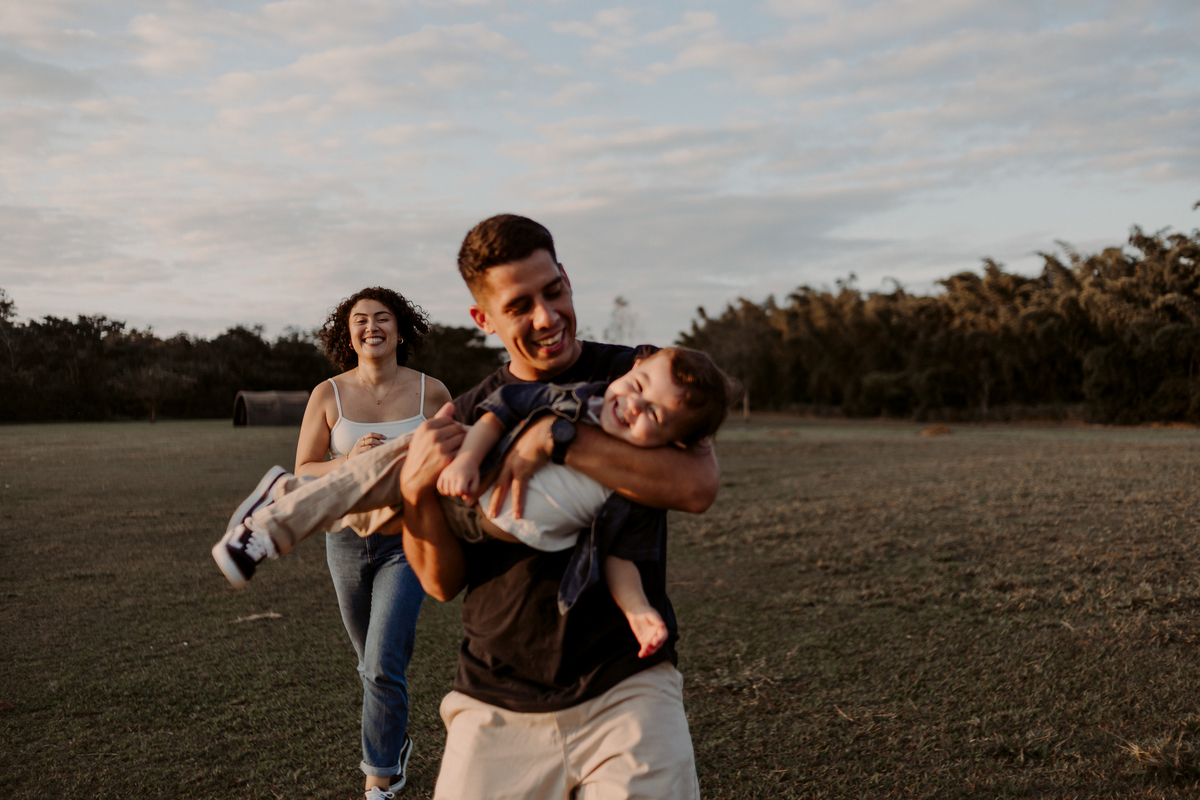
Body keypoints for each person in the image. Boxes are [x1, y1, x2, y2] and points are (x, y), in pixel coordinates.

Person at [400, 214, 721, 799]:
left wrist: (558, 436)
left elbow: (697, 485)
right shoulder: (468, 417)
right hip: (496, 697)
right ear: (484, 319)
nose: (547, 317)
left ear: (568, 279)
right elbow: (441, 584)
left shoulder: (636, 375)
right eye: (520, 306)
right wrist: (414, 493)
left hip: (628, 687)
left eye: (554, 291)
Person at [214, 286, 451, 800]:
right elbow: (305, 467)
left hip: (407, 540)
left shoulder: (432, 393)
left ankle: (379, 779)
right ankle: (395, 743)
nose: (371, 327)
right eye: (360, 320)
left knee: (383, 662)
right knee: (370, 663)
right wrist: (349, 460)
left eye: (382, 318)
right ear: (348, 334)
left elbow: (450, 455)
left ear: (400, 330)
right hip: (344, 540)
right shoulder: (328, 394)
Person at [436, 346, 729, 658]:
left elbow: (619, 557)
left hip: (481, 526)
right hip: (463, 478)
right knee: (404, 464)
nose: (634, 405)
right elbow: (501, 408)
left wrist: (638, 609)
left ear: (676, 443)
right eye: (638, 386)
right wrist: (466, 461)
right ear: (634, 367)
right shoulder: (569, 398)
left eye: (654, 414)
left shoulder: (637, 489)